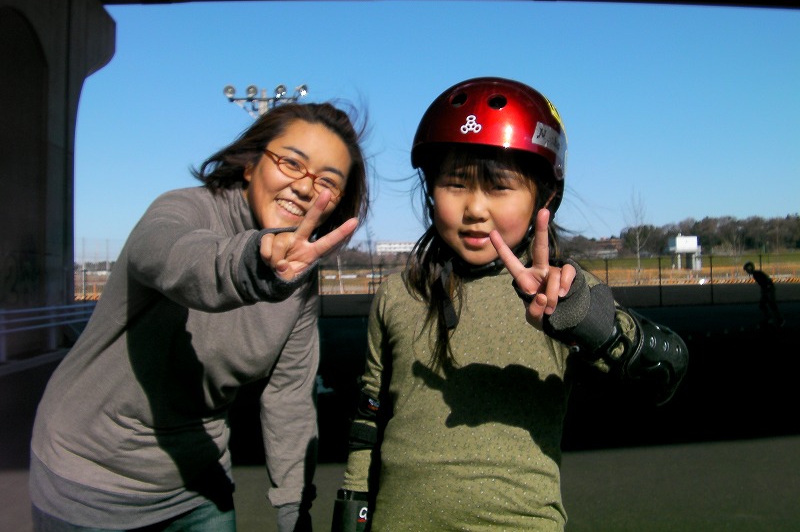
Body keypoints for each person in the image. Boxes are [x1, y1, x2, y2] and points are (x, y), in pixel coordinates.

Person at [331, 77, 689, 531]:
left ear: (545, 196)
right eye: (455, 183)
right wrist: (351, 515)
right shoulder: (399, 294)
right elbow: (368, 421)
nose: (475, 209)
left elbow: (666, 372)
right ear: (430, 189)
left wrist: (585, 322)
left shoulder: (564, 292)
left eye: (499, 187)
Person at [29, 100, 370, 532]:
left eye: (327, 182)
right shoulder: (181, 210)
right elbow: (172, 257)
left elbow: (289, 397)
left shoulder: (299, 279)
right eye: (291, 163)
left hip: (200, 481)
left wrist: (294, 508)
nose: (306, 188)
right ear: (250, 166)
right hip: (89, 475)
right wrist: (254, 264)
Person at [743, 261, 785, 327]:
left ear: (750, 268)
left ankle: (779, 319)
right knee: (763, 305)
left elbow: (767, 281)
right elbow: (764, 283)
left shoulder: (757, 274)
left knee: (771, 305)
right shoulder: (756, 274)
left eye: (747, 270)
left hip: (769, 289)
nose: (747, 272)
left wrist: (768, 291)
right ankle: (770, 318)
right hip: (767, 289)